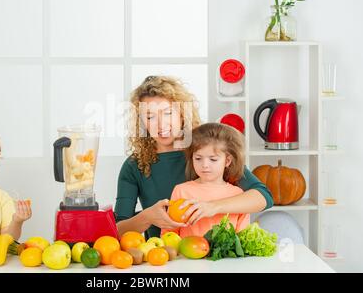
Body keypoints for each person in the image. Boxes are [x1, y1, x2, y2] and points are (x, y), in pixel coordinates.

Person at [114, 75, 273, 239]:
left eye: (168, 113)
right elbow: (117, 230)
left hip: (213, 255)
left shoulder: (203, 154)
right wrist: (146, 217)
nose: (160, 124)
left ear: (182, 113)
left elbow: (263, 197)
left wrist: (212, 207)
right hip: (163, 256)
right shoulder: (135, 165)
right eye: (149, 117)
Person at [161, 122, 250, 238]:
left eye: (213, 159)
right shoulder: (181, 191)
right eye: (198, 158)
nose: (205, 165)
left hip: (226, 257)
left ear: (227, 161)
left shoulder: (237, 195)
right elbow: (168, 234)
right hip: (186, 256)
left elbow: (243, 238)